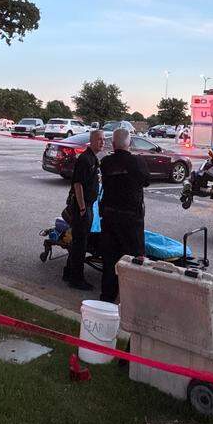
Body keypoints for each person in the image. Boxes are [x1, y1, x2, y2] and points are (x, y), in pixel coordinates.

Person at [97, 128, 150, 302]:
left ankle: (107, 298)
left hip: (109, 217)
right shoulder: (137, 162)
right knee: (133, 260)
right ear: (130, 144)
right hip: (131, 219)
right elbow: (146, 181)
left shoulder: (106, 162)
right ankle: (130, 300)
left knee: (109, 259)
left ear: (113, 144)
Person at [63, 129, 102, 291]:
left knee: (78, 242)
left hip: (88, 205)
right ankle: (76, 279)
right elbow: (77, 184)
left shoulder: (93, 158)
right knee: (80, 245)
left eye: (103, 140)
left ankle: (68, 272)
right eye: (99, 140)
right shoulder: (85, 159)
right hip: (83, 207)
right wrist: (82, 208)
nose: (102, 142)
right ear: (91, 141)